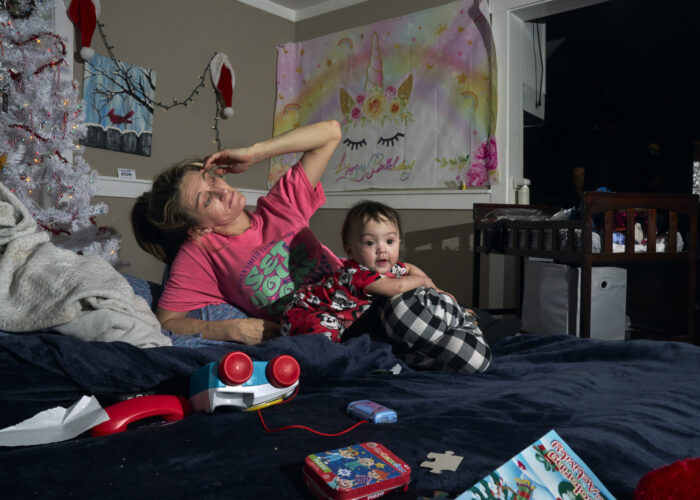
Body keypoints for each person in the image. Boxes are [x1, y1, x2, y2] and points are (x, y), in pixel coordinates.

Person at [131, 120, 344, 344]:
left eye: (212, 179)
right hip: (321, 334)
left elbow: (331, 132)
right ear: (198, 227)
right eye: (207, 200)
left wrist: (254, 153)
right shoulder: (201, 252)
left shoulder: (281, 205)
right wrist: (230, 329)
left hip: (360, 295)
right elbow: (166, 322)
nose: (222, 191)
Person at [280, 201, 491, 374]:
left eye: (389, 241)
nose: (382, 249)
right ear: (350, 250)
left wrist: (435, 289)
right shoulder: (355, 273)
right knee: (325, 344)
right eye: (370, 243)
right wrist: (424, 282)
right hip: (307, 311)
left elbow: (408, 268)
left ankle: (462, 324)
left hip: (356, 322)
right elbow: (396, 287)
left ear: (399, 241)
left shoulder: (392, 268)